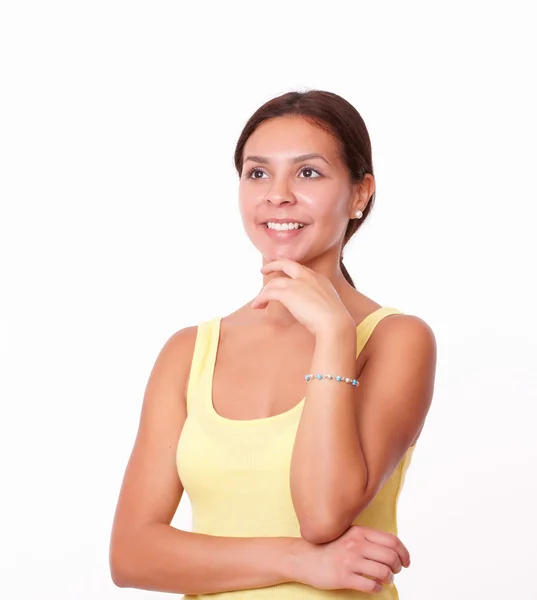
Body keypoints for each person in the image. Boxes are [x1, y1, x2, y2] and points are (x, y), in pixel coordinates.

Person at [109, 90, 437, 598]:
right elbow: (131, 554)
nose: (277, 194)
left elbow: (324, 516)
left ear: (359, 194)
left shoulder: (396, 339)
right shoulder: (190, 351)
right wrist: (299, 562)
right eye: (257, 173)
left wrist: (333, 334)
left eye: (308, 173)